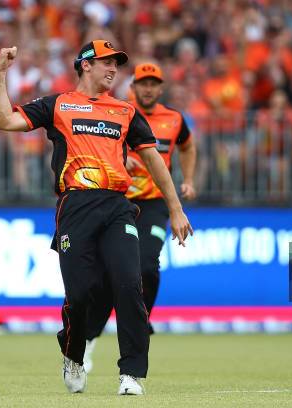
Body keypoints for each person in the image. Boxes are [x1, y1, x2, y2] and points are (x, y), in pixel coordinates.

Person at [0, 40, 193, 395]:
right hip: (76, 207)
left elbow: (154, 160)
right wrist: (0, 75)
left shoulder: (126, 112)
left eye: (117, 63)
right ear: (85, 65)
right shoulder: (58, 104)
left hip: (118, 205)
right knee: (81, 293)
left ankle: (131, 373)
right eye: (106, 63)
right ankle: (73, 355)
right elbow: (6, 120)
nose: (114, 69)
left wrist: (175, 208)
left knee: (131, 285)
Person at [83, 62, 197, 372]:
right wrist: (122, 161)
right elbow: (95, 148)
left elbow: (187, 146)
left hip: (154, 203)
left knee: (147, 263)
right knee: (108, 278)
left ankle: (139, 317)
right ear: (133, 86)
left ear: (161, 88)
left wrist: (188, 179)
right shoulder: (117, 112)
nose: (147, 88)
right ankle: (88, 338)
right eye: (142, 83)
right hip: (118, 201)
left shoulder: (174, 119)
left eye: (153, 83)